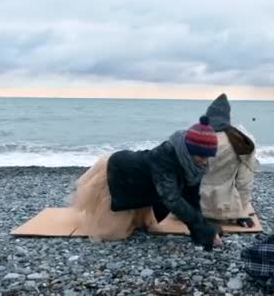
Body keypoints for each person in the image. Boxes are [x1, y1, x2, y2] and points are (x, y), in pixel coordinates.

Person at [67, 116, 223, 250]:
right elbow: (172, 199)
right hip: (121, 171)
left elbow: (191, 196)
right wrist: (203, 229)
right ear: (189, 150)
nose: (205, 161)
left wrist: (203, 228)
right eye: (201, 156)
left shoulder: (193, 165)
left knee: (141, 220)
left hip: (146, 182)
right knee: (114, 232)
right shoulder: (165, 158)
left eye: (208, 157)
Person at [200, 93, 258, 227]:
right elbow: (244, 181)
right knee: (245, 170)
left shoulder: (195, 136)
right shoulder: (238, 140)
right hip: (226, 207)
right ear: (227, 117)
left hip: (195, 205)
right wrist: (241, 211)